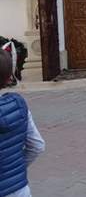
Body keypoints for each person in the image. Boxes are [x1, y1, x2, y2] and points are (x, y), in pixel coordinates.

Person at [0, 48, 45, 197]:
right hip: (19, 190)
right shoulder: (18, 104)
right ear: (8, 78)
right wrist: (14, 172)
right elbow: (37, 145)